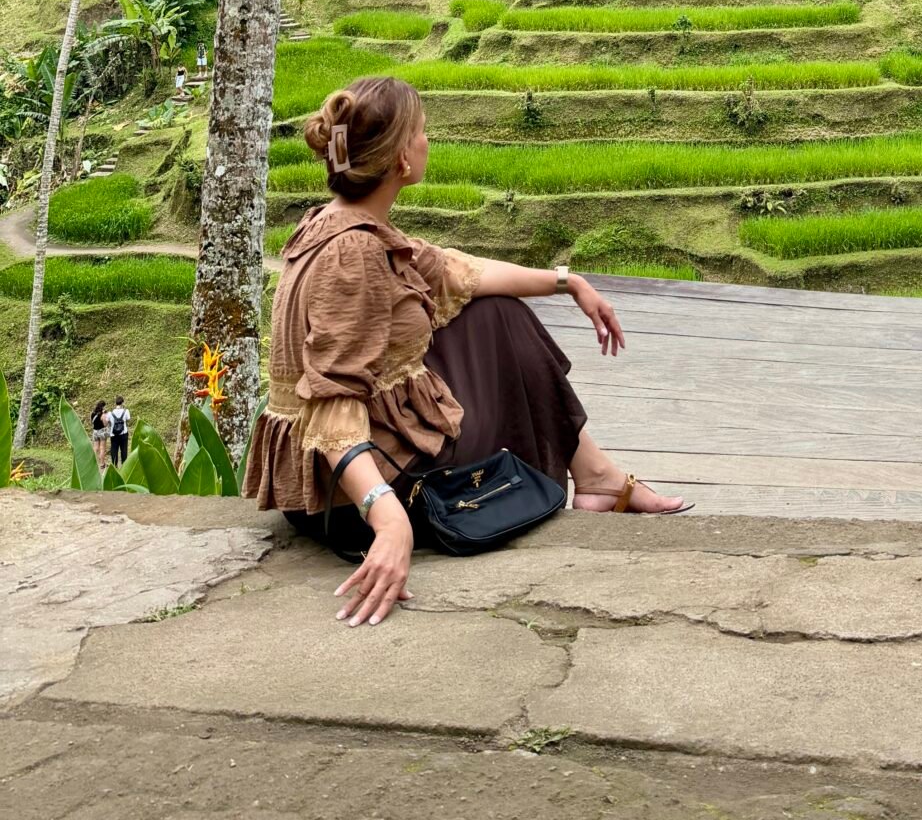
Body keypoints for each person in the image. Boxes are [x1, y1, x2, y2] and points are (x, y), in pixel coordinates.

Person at [243, 77, 687, 627]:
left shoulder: (338, 224)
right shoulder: (354, 256)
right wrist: (387, 519)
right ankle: (596, 478)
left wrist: (569, 282)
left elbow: (460, 272)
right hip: (349, 497)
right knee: (501, 323)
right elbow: (333, 404)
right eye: (423, 133)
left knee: (492, 309)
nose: (429, 142)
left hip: (349, 472)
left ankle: (596, 476)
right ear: (403, 157)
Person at [106, 396, 131, 467]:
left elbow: (107, 421)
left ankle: (115, 465)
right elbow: (128, 419)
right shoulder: (126, 411)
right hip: (123, 433)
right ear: (122, 402)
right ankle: (124, 466)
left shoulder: (110, 413)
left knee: (114, 450)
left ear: (115, 403)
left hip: (113, 434)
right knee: (124, 450)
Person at [90, 399, 111, 472]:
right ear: (103, 406)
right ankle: (102, 464)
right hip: (102, 432)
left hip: (95, 432)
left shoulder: (92, 413)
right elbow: (105, 424)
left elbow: (91, 422)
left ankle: (92, 462)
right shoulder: (103, 414)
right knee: (102, 448)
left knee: (95, 448)